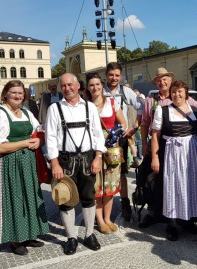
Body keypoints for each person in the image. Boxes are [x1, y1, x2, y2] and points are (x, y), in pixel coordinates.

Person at [0, 80, 49, 255]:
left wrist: (39, 140)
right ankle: (14, 239)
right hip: (9, 163)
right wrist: (26, 142)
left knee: (30, 196)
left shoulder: (26, 113)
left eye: (20, 93)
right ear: (5, 94)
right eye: (13, 92)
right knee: (14, 198)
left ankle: (28, 233)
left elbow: (38, 131)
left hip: (28, 162)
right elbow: (0, 147)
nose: (17, 96)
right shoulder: (0, 114)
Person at [46, 73, 105, 255]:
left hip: (88, 158)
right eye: (63, 85)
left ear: (78, 86)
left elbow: (97, 134)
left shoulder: (90, 107)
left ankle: (89, 234)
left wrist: (98, 157)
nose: (67, 88)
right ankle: (71, 237)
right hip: (64, 160)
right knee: (65, 199)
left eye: (70, 84)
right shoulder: (54, 108)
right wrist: (54, 163)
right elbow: (50, 137)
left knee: (89, 197)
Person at [139, 67, 197, 229]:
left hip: (191, 153)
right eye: (174, 92)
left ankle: (189, 220)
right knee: (168, 186)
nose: (177, 94)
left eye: (180, 91)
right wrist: (151, 153)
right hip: (169, 152)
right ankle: (170, 222)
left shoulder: (195, 108)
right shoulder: (157, 105)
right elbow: (150, 129)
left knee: (192, 185)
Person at [87, 72, 127, 234]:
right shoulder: (85, 105)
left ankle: (108, 217)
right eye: (91, 85)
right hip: (93, 149)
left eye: (97, 84)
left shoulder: (112, 103)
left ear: (102, 85)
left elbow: (123, 123)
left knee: (110, 185)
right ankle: (100, 220)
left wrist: (116, 133)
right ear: (88, 88)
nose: (95, 87)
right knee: (97, 186)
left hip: (111, 149)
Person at [103, 62, 142, 221]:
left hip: (121, 139)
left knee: (122, 173)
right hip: (103, 140)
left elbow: (141, 107)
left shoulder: (126, 92)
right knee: (103, 173)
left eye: (117, 75)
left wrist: (134, 126)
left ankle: (124, 202)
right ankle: (104, 204)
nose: (114, 78)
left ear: (121, 76)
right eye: (111, 75)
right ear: (106, 75)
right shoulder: (100, 90)